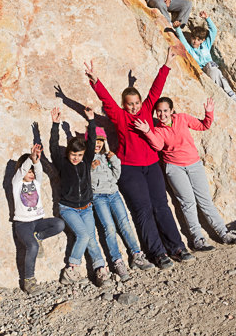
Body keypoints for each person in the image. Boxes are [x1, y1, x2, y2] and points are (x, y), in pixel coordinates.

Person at [84, 48, 194, 269]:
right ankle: (157, 252)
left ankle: (177, 247)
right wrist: (96, 81)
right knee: (143, 210)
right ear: (124, 105)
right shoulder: (120, 117)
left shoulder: (146, 111)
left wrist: (167, 64)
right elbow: (107, 101)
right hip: (130, 169)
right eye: (129, 104)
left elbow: (156, 89)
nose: (133, 107)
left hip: (152, 165)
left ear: (141, 103)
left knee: (161, 206)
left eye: (136, 103)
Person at [133, 97, 236, 251]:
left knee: (205, 200)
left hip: (194, 165)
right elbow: (158, 146)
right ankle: (198, 239)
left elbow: (204, 125)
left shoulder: (182, 118)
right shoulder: (158, 129)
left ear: (171, 111)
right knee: (188, 203)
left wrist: (209, 112)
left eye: (165, 110)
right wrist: (148, 131)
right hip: (175, 168)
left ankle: (223, 233)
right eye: (159, 111)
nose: (162, 114)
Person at [49, 107, 112, 288]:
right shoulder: (62, 163)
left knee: (92, 238)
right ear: (68, 153)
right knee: (83, 235)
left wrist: (91, 121)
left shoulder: (85, 160)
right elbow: (53, 146)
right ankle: (70, 270)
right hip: (68, 208)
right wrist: (54, 125)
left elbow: (92, 141)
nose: (76, 158)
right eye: (73, 154)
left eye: (79, 155)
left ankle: (100, 269)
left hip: (86, 207)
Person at [89, 126, 154, 281]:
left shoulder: (107, 156)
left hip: (113, 194)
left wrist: (114, 159)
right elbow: (86, 180)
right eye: (94, 141)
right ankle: (117, 261)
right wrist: (90, 169)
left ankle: (136, 255)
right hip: (98, 197)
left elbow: (116, 174)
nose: (97, 144)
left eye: (100, 141)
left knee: (124, 223)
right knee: (109, 228)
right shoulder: (87, 159)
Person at [175, 11, 236, 127]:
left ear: (202, 41)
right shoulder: (190, 50)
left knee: (228, 91)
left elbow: (213, 31)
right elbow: (182, 40)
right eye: (194, 38)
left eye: (198, 39)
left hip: (213, 69)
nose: (195, 41)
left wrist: (207, 19)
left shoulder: (206, 46)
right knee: (224, 92)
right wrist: (178, 29)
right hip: (205, 71)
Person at [12, 144, 65, 295]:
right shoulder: (17, 184)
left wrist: (36, 162)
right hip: (23, 224)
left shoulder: (36, 182)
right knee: (33, 247)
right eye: (28, 171)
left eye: (32, 172)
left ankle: (39, 236)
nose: (31, 174)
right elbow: (23, 170)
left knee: (59, 224)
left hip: (37, 222)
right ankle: (29, 280)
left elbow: (39, 171)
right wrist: (30, 158)